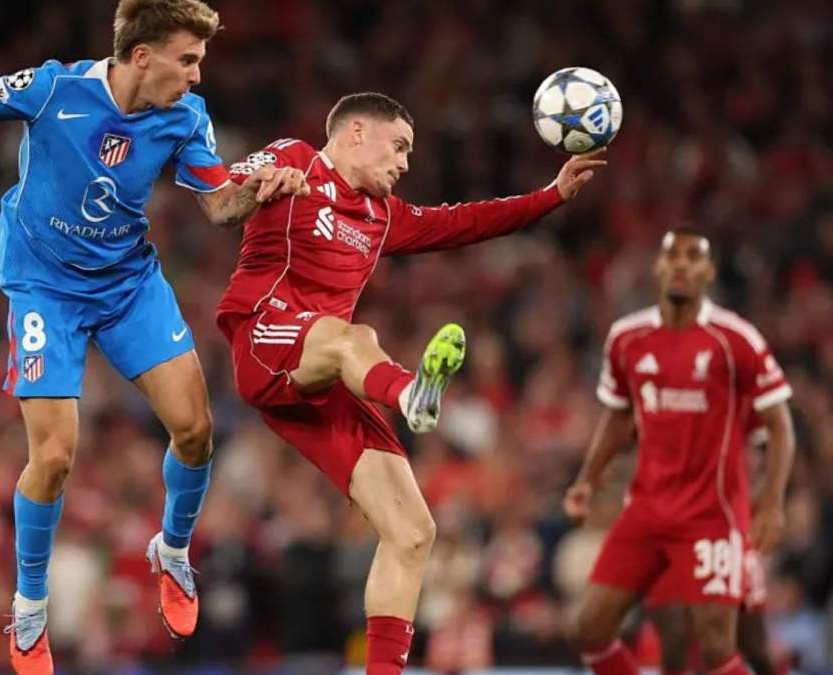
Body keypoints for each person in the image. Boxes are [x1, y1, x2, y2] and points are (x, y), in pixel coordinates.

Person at [0, 1, 309, 672]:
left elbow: (220, 205)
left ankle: (174, 551)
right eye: (186, 60)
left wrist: (261, 192)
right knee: (55, 456)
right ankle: (30, 606)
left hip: (128, 282)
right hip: (45, 288)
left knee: (195, 429)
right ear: (141, 56)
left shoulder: (185, 116)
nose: (194, 76)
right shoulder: (53, 89)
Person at [215, 92, 605, 674]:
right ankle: (409, 394)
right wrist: (259, 184)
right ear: (353, 134)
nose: (405, 164)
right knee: (354, 337)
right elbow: (219, 197)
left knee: (413, 530)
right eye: (398, 147)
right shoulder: (297, 158)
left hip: (329, 378)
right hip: (264, 338)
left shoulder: (381, 217)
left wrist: (549, 197)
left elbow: (465, 222)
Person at [564, 229, 796, 675]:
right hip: (647, 511)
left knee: (722, 648)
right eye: (673, 255)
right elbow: (617, 417)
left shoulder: (735, 339)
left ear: (708, 272)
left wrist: (772, 503)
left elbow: (780, 424)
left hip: (713, 514)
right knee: (589, 629)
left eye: (694, 257)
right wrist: (586, 480)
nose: (682, 265)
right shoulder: (627, 338)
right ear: (658, 267)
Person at [646, 422, 778, 675]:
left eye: (757, 451)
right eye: (746, 450)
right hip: (689, 546)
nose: (753, 459)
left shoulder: (761, 502)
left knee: (754, 647)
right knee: (678, 640)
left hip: (735, 551)